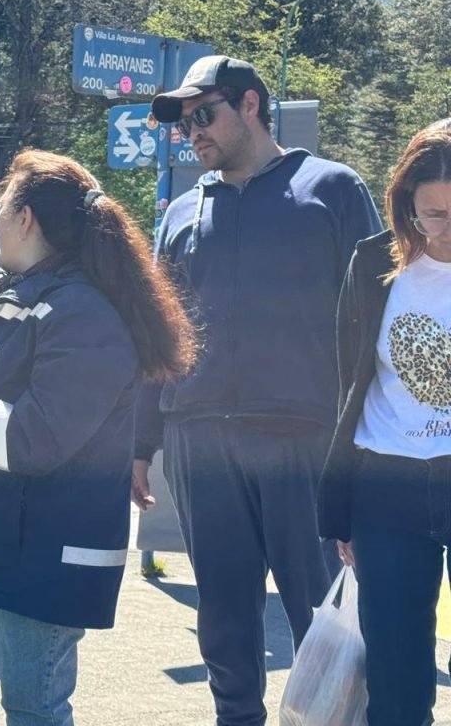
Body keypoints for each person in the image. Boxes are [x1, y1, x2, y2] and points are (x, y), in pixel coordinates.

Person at [0, 149, 197, 725]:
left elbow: (37, 438)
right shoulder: (25, 295)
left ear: (25, 219)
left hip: (42, 555)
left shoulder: (83, 313)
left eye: (1, 206)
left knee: (33, 708)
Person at [130, 55, 381, 726]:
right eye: (184, 125)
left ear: (250, 106)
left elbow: (373, 323)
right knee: (225, 628)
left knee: (327, 627)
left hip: (307, 440)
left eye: (203, 115)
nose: (192, 133)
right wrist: (140, 441)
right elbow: (160, 334)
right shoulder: (181, 211)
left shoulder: (332, 189)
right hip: (201, 443)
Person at [318, 119, 451, 726]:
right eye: (435, 214)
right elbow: (350, 382)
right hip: (385, 486)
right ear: (406, 206)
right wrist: (344, 504)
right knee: (395, 685)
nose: (448, 230)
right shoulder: (373, 263)